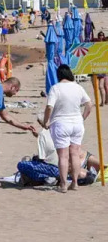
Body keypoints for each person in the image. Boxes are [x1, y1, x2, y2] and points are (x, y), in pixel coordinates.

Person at [42, 64, 92, 192]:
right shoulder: (78, 87)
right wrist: (82, 118)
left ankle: (63, 184)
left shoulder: (56, 88)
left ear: (59, 75)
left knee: (63, 156)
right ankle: (74, 183)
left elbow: (49, 107)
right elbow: (89, 105)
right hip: (77, 123)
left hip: (61, 123)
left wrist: (45, 121)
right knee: (74, 154)